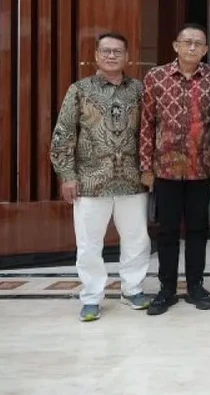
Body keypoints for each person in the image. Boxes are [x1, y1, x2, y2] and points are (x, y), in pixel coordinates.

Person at [49, 32, 151, 322]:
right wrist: (67, 175)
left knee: (136, 240)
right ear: (95, 56)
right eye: (105, 51)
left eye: (117, 51)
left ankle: (133, 289)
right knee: (89, 244)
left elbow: (148, 133)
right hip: (91, 181)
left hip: (132, 180)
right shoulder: (80, 90)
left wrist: (149, 169)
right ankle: (92, 296)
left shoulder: (139, 90)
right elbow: (64, 134)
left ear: (127, 56)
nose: (111, 56)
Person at [139, 24, 210, 316]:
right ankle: (166, 289)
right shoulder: (156, 77)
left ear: (205, 49)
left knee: (199, 230)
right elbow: (147, 124)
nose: (192, 48)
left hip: (202, 169)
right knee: (167, 231)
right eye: (186, 42)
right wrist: (145, 166)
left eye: (198, 43)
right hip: (165, 169)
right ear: (175, 46)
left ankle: (196, 286)